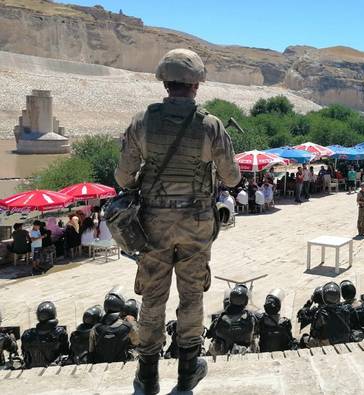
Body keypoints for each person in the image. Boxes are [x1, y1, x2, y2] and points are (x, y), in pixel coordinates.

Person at [114, 48, 240, 393]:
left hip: (153, 223)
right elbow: (231, 178)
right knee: (191, 296)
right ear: (196, 84)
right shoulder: (210, 124)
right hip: (196, 223)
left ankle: (147, 375)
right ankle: (187, 372)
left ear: (164, 81)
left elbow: (124, 178)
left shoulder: (143, 121)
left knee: (152, 299)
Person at [89, 288, 138, 364]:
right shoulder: (127, 326)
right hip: (121, 362)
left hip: (100, 363)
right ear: (121, 306)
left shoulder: (95, 328)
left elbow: (91, 350)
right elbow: (137, 342)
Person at [207, 285, 257, 355]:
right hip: (244, 352)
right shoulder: (250, 318)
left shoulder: (221, 319)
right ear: (245, 301)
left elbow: (210, 334)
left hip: (224, 352)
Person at [20, 301, 69, 368]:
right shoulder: (60, 332)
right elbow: (65, 352)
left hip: (30, 367)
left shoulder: (27, 334)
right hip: (53, 368)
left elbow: (24, 353)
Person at [306, 282, 352, 346]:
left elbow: (314, 333)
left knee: (305, 339)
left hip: (329, 343)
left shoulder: (321, 313)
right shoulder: (345, 309)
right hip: (345, 340)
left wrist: (308, 304)